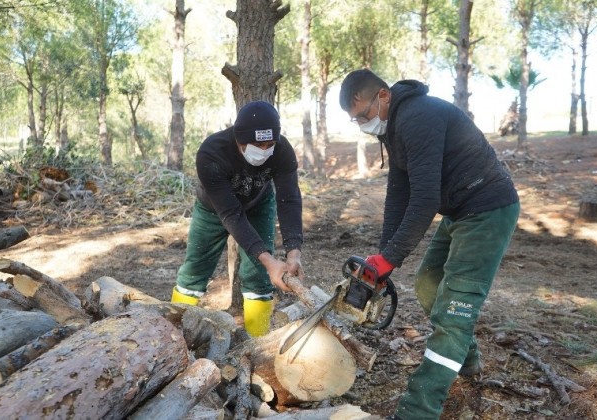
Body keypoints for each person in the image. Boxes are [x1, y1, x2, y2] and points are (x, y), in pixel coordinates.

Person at [339, 69, 519, 419]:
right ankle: (467, 362)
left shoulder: (419, 117)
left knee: (455, 311)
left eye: (363, 115)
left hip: (487, 209)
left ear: (384, 96)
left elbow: (424, 199)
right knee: (427, 284)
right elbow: (399, 191)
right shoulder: (395, 127)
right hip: (460, 211)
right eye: (355, 119)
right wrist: (382, 255)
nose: (362, 123)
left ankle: (418, 410)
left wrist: (391, 257)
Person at [172, 100, 303, 337]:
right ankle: (173, 335)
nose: (264, 150)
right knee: (194, 270)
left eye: (270, 144)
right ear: (239, 140)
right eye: (257, 145)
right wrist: (269, 260)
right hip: (213, 209)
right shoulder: (212, 153)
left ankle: (257, 342)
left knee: (259, 275)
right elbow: (231, 215)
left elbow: (289, 200)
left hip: (258, 206)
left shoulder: (282, 151)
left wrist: (294, 252)